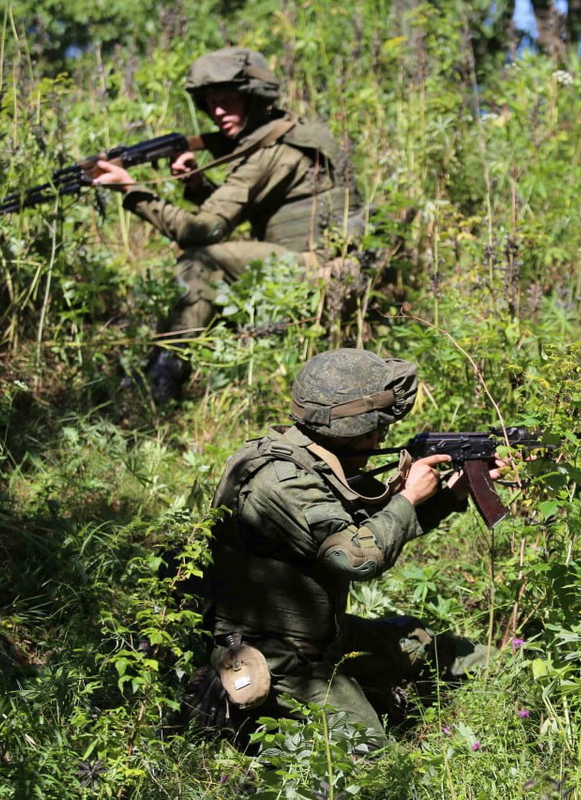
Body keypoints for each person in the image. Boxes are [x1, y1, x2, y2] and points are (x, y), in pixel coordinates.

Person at [199, 348, 494, 748]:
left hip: (324, 635)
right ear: (350, 428)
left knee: (429, 644)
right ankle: (243, 723)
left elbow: (378, 517)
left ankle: (518, 675)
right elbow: (357, 557)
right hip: (280, 657)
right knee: (371, 763)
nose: (382, 437)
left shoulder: (316, 460)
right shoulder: (281, 481)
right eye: (375, 429)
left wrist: (453, 491)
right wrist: (408, 498)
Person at [91, 48, 365, 406]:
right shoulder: (289, 133)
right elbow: (242, 206)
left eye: (229, 100)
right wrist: (193, 185)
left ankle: (160, 379)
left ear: (253, 99)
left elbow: (204, 231)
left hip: (321, 268)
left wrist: (131, 190)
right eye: (211, 103)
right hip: (323, 262)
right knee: (215, 266)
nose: (218, 111)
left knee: (203, 260)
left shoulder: (269, 153)